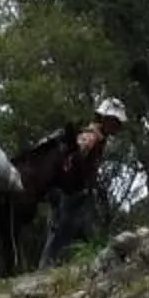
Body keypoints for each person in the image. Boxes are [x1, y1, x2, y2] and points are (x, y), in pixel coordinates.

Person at [34, 97, 128, 265]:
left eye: (117, 122)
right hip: (69, 192)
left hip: (69, 190)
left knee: (73, 230)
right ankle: (46, 269)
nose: (116, 126)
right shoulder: (91, 137)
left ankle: (89, 263)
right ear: (104, 119)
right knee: (62, 231)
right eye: (114, 121)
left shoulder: (96, 137)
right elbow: (72, 160)